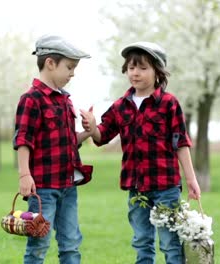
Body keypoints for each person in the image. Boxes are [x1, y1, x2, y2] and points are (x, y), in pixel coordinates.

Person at [81, 42, 201, 264]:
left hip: (166, 187)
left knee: (169, 242)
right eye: (131, 68)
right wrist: (91, 126)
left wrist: (191, 179)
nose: (135, 73)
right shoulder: (120, 106)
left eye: (143, 68)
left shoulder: (168, 104)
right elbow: (102, 136)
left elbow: (181, 143)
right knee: (142, 241)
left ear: (158, 72)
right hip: (136, 189)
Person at [13, 34, 93, 264]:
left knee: (71, 244)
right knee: (39, 244)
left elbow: (69, 142)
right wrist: (24, 174)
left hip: (68, 185)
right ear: (50, 63)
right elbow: (23, 140)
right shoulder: (31, 99)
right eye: (69, 67)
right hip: (43, 189)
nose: (73, 73)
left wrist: (88, 131)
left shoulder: (65, 100)